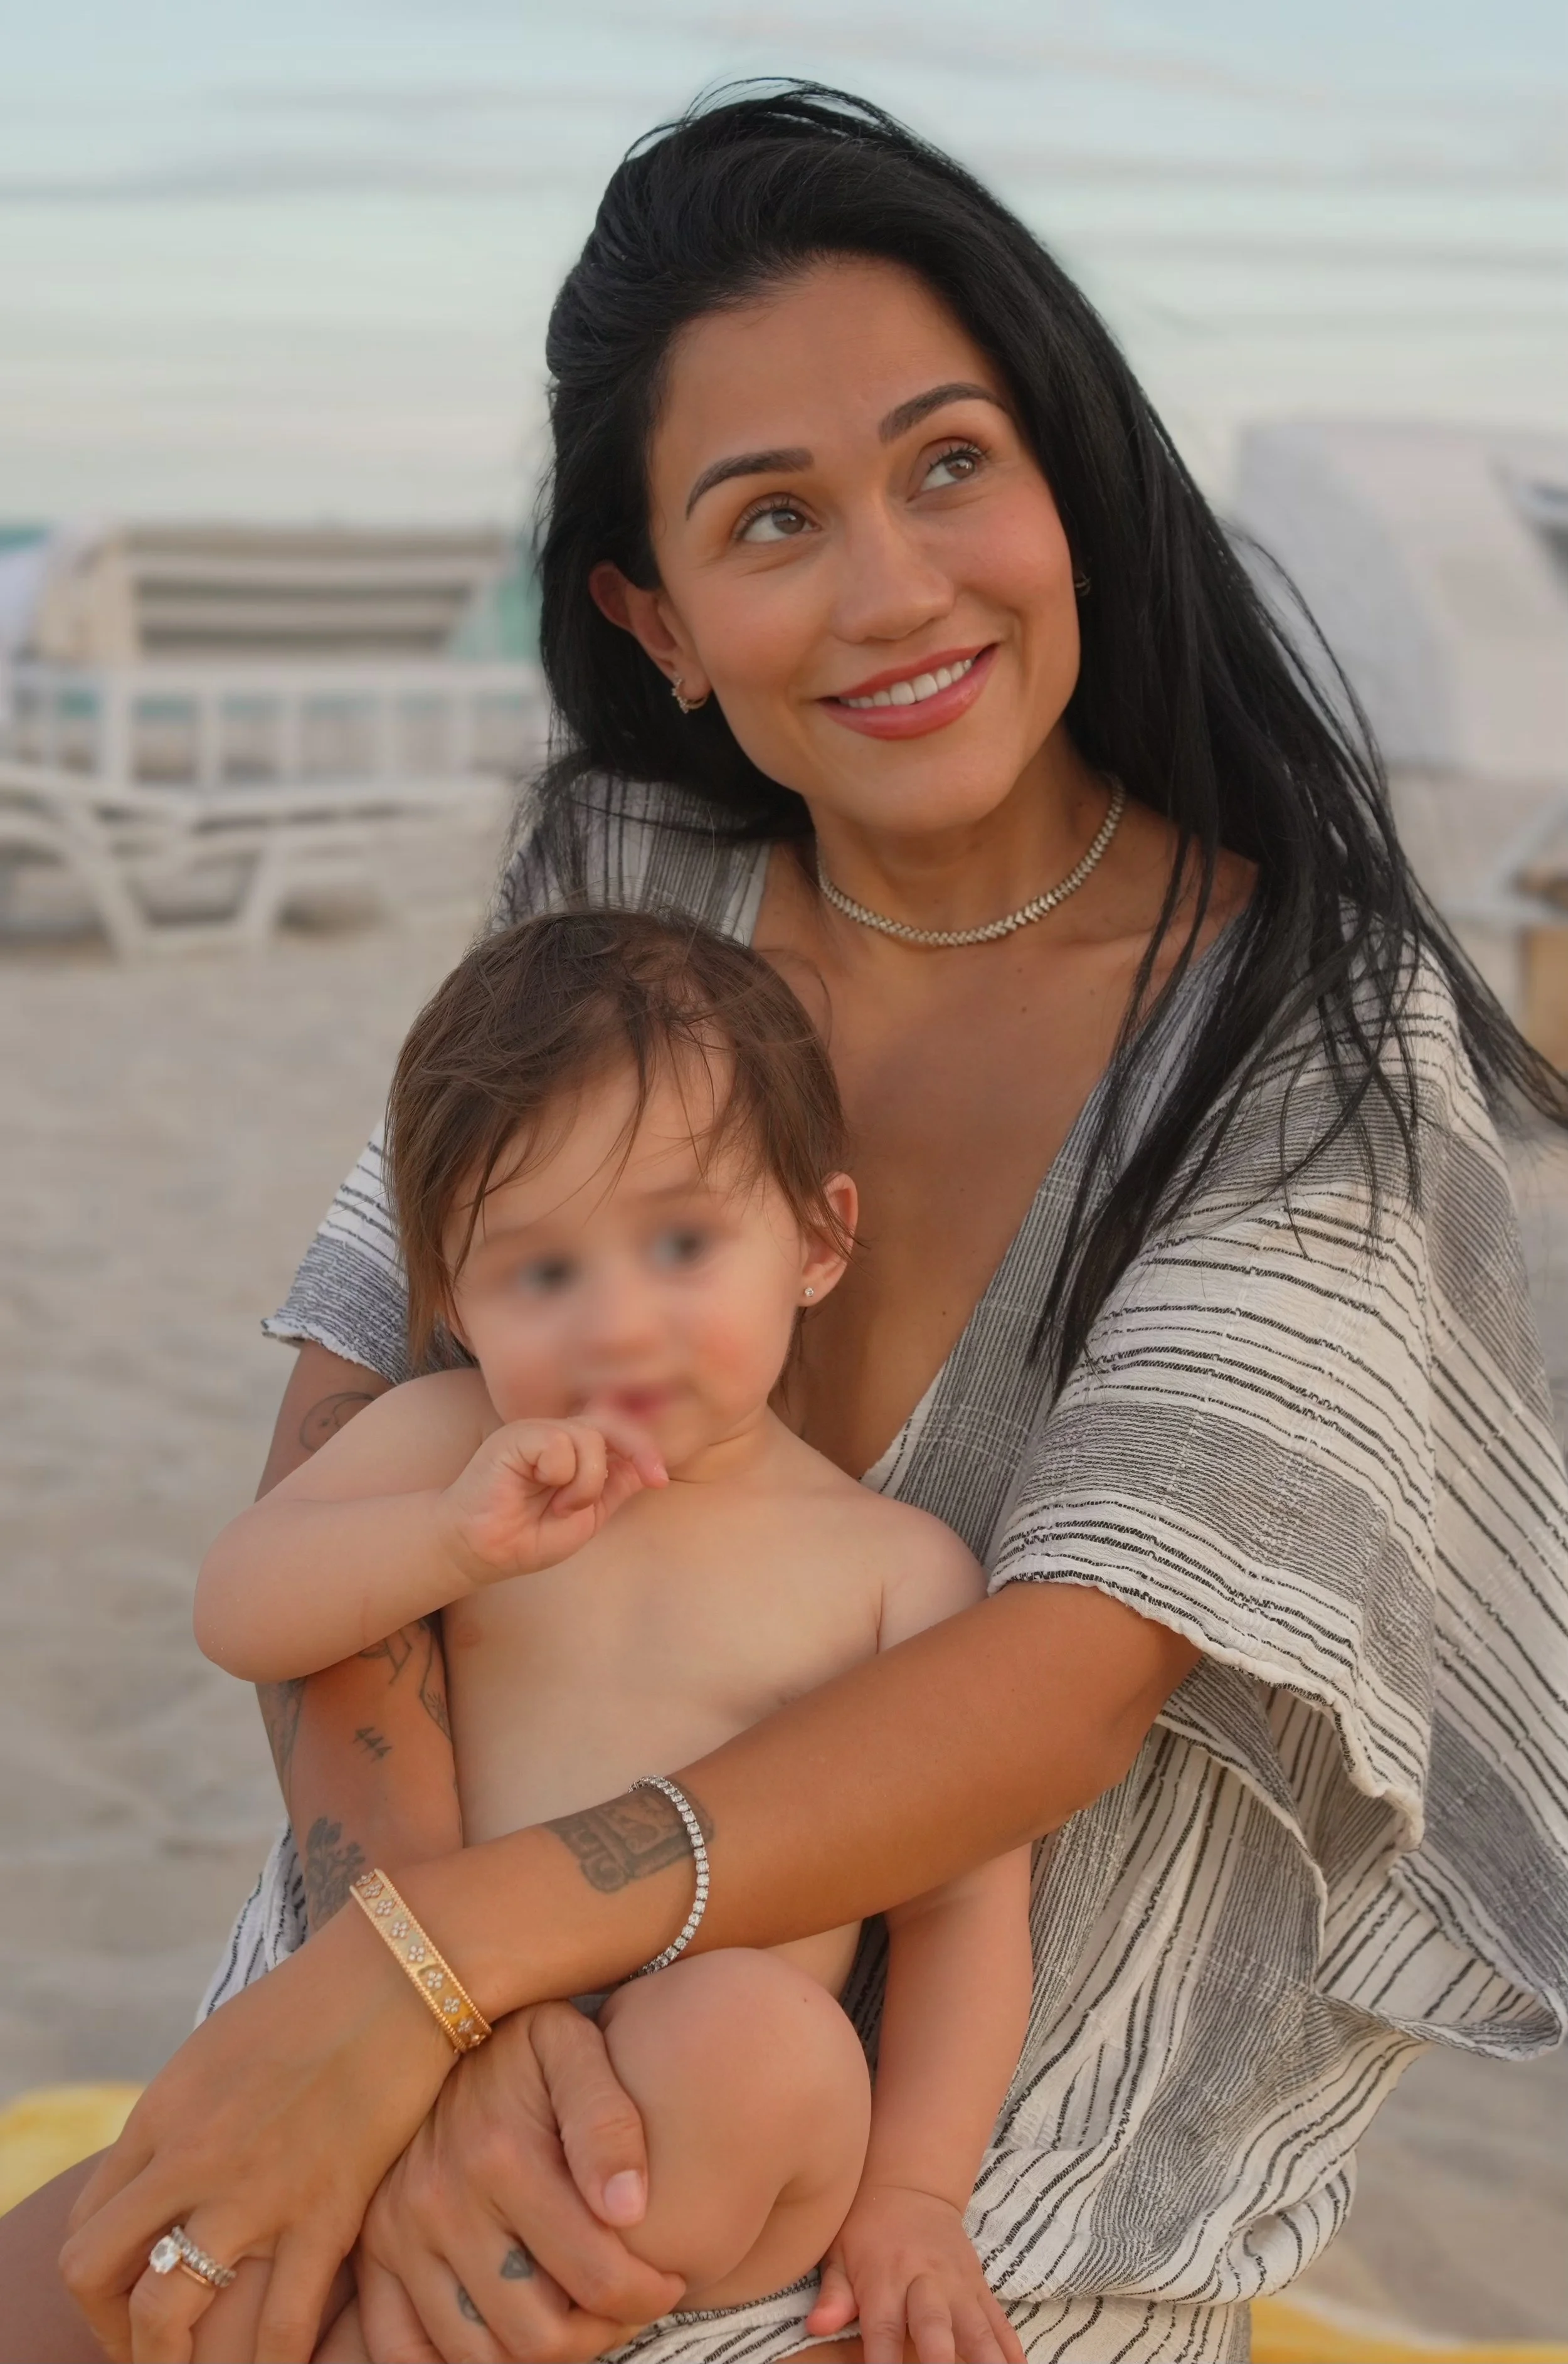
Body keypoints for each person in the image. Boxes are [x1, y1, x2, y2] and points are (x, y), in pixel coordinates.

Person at [4, 79, 1566, 2364]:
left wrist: (458, 1970)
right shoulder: (630, 910)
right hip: (421, 1947)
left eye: (952, 463)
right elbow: (353, 1453)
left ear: (1070, 484)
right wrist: (419, 1992)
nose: (894, 587)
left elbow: (1053, 1692)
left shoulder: (1301, 1037)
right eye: (770, 518)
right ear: (654, 614)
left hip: (943, 2138)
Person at [188, 908, 1032, 2363]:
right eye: (542, 1273)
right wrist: (444, 1541)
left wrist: (911, 2196)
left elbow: (959, 1915)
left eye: (682, 1241)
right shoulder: (450, 1438)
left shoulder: (891, 1568)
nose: (618, 1323)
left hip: (695, 2124)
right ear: (449, 1300)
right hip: (419, 2044)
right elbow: (240, 1607)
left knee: (759, 2038)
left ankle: (476, 2321)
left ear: (818, 1241)